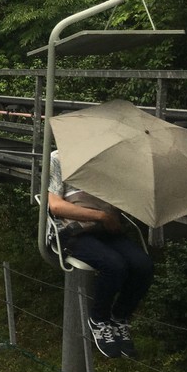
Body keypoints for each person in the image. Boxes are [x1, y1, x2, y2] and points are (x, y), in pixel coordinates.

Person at [48, 150, 154, 359]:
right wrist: (101, 215)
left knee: (143, 266)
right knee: (114, 265)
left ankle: (119, 317)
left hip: (107, 230)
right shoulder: (59, 158)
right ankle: (99, 319)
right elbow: (56, 205)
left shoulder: (111, 161)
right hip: (74, 230)